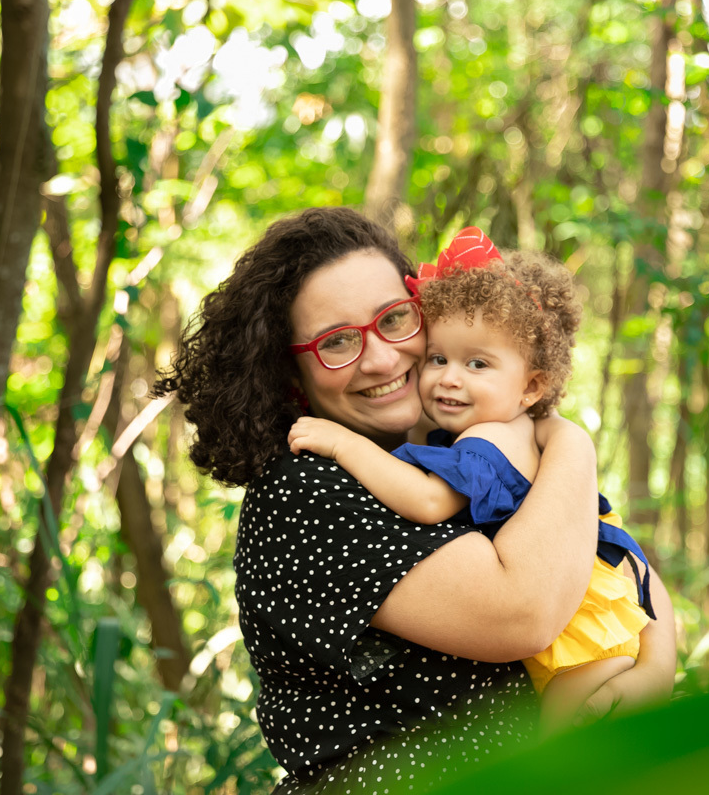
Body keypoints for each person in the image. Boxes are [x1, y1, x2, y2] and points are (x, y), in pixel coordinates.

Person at [155, 208, 675, 793]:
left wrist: (656, 668)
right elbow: (521, 614)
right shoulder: (303, 490)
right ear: (290, 373)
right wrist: (569, 442)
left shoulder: (453, 444)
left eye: (394, 318)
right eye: (337, 342)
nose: (381, 358)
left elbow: (612, 557)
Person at [287, 228, 659, 733]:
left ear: (531, 386)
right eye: (439, 359)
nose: (450, 377)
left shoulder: (489, 440)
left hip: (581, 633)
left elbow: (428, 500)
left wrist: (341, 444)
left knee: (568, 750)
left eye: (477, 364)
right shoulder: (525, 435)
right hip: (589, 625)